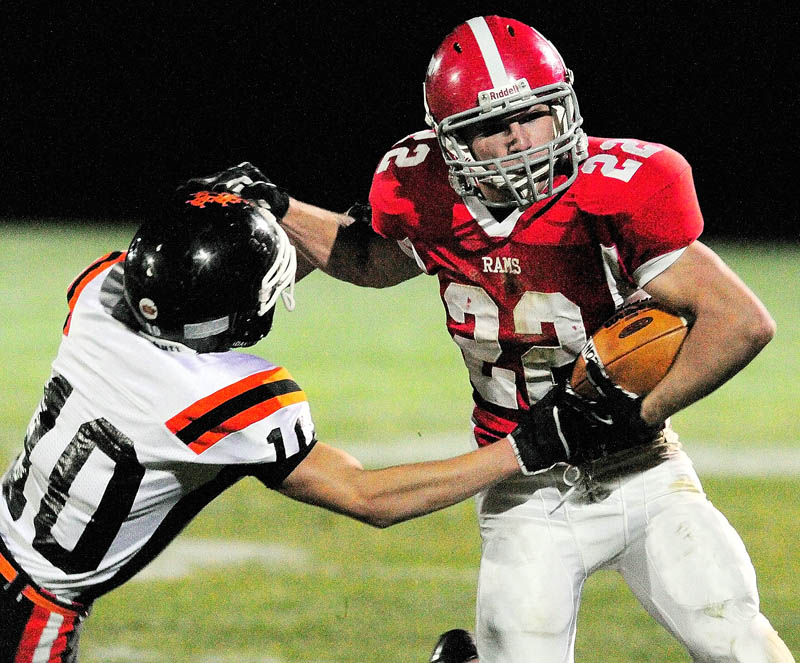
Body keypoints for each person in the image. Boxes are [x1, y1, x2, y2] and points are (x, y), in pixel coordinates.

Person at [190, 15, 795, 663]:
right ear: (450, 145)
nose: (516, 140)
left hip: (642, 468)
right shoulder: (423, 188)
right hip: (526, 486)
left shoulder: (622, 187)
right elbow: (369, 261)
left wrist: (632, 410)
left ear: (563, 104)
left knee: (743, 645)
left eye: (530, 116)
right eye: (488, 129)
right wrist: (282, 206)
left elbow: (741, 321)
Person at [0, 189, 632, 662]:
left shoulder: (100, 299)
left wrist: (244, 225)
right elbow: (369, 497)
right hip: (34, 615)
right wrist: (534, 443)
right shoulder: (216, 401)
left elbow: (195, 289)